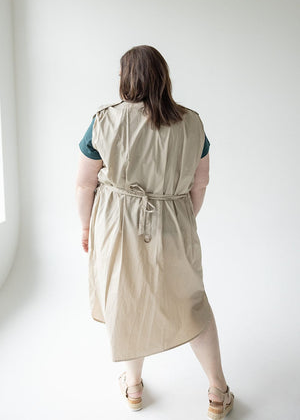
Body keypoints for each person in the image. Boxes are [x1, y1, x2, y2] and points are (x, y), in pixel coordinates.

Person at [75, 45, 234, 419]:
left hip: (116, 225)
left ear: (125, 78)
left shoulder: (104, 120)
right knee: (192, 303)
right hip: (174, 221)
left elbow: (84, 185)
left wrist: (86, 226)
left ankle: (133, 387)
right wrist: (180, 219)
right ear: (164, 77)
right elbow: (201, 182)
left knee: (125, 299)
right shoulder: (192, 123)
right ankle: (217, 391)